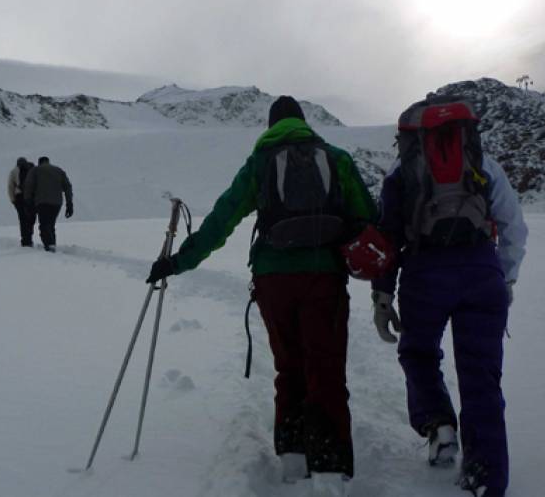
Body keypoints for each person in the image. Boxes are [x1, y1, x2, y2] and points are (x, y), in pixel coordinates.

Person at [146, 96, 378, 495]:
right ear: (304, 124)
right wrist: (379, 279)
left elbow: (223, 219)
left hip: (274, 278)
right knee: (325, 365)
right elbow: (369, 219)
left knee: (289, 364)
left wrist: (178, 261)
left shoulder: (260, 163)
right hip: (324, 277)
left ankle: (292, 454)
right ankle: (329, 463)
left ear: (271, 125)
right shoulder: (336, 158)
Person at [371, 96, 528, 497]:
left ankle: (438, 424)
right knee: (481, 377)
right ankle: (486, 478)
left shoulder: (402, 172)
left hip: (425, 274)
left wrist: (383, 294)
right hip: (482, 270)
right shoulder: (482, 165)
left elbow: (387, 238)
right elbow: (513, 225)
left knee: (418, 353)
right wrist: (504, 277)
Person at [23, 156, 73, 252]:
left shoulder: (35, 170)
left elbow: (28, 186)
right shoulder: (59, 170)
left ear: (39, 162)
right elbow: (67, 187)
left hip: (42, 202)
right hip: (57, 203)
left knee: (44, 224)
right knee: (51, 224)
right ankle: (52, 244)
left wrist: (28, 201)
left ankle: (50, 246)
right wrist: (69, 204)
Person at [7, 157, 36, 247]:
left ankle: (25, 240)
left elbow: (10, 186)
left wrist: (13, 200)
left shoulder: (14, 171)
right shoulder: (33, 169)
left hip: (19, 197)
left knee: (22, 218)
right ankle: (30, 236)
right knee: (31, 217)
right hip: (32, 197)